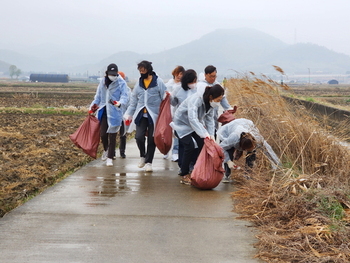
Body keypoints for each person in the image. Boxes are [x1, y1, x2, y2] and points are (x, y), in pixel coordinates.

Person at [171, 84, 225, 185]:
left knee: (203, 144)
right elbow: (192, 118)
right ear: (211, 97)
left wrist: (211, 135)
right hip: (181, 124)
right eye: (217, 100)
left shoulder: (210, 105)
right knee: (189, 146)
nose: (218, 103)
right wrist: (204, 133)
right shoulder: (196, 99)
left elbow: (209, 120)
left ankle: (197, 169)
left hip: (194, 125)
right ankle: (184, 173)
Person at [123, 60, 167, 172]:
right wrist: (128, 113)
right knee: (138, 137)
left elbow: (164, 98)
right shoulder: (139, 83)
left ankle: (149, 162)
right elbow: (134, 101)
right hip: (141, 114)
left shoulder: (158, 82)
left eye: (143, 70)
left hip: (154, 115)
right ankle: (142, 156)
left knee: (152, 139)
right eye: (140, 70)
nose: (142, 72)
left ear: (149, 69)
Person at [89, 63, 129, 167]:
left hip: (115, 112)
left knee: (112, 135)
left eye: (114, 74)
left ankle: (110, 158)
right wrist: (92, 107)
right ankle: (106, 150)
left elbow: (125, 96)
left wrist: (120, 103)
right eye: (111, 74)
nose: (113, 76)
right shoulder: (102, 82)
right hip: (104, 111)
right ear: (107, 73)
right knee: (103, 134)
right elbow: (98, 97)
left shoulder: (121, 83)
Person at [217, 118, 281, 183]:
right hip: (230, 130)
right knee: (229, 151)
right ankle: (227, 175)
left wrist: (277, 166)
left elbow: (268, 150)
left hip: (246, 124)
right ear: (242, 147)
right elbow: (220, 148)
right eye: (248, 149)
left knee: (252, 154)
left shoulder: (257, 138)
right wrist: (228, 161)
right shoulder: (233, 139)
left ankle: (247, 174)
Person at [170, 69, 197, 173]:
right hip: (181, 122)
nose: (193, 84)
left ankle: (192, 164)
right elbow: (173, 103)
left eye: (194, 81)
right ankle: (183, 165)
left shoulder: (197, 90)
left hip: (193, 122)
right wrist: (169, 97)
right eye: (191, 81)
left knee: (196, 144)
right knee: (184, 144)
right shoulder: (178, 90)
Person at [197, 65, 233, 138]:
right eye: (211, 76)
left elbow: (222, 98)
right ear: (205, 75)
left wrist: (229, 109)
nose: (213, 78)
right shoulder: (201, 86)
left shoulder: (216, 84)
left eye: (214, 76)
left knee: (213, 132)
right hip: (202, 118)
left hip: (213, 115)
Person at [165, 66, 185, 161]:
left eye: (181, 74)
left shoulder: (183, 86)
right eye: (177, 74)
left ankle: (175, 152)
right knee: (167, 131)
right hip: (168, 109)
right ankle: (165, 149)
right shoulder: (169, 84)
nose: (179, 76)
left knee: (176, 132)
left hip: (177, 110)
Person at [117, 71, 131, 158]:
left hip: (123, 114)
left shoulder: (128, 90)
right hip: (114, 115)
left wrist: (128, 115)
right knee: (112, 134)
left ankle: (122, 151)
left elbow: (130, 102)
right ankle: (111, 153)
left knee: (122, 134)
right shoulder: (112, 89)